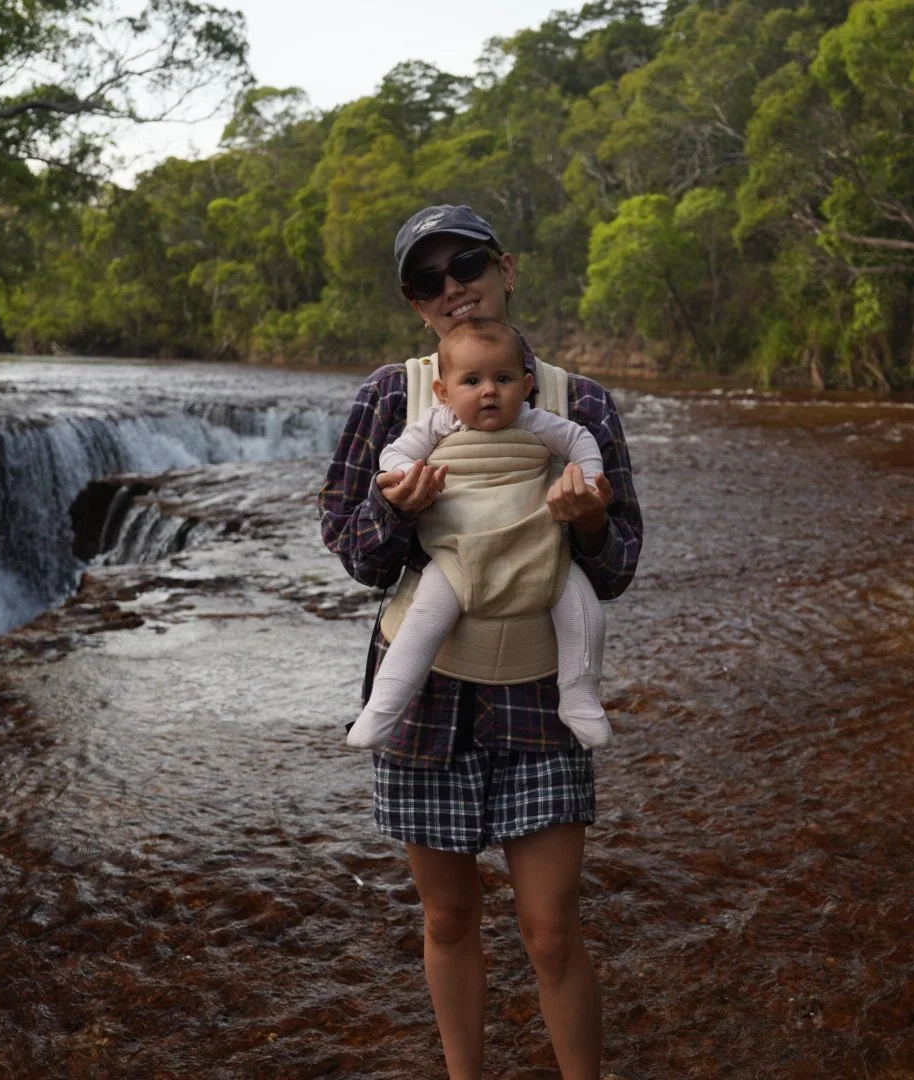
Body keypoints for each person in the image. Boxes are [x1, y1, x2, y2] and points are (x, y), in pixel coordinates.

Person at [319, 204, 643, 1080]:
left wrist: (588, 525)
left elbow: (618, 568)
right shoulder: (391, 399)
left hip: (540, 695)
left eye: (465, 265)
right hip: (427, 701)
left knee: (549, 927)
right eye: (430, 280)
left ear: (506, 267)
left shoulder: (580, 406)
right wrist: (397, 513)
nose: (452, 288)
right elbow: (351, 550)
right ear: (414, 303)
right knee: (449, 919)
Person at [346, 315, 611, 752]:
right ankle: (382, 708)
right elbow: (394, 454)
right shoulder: (437, 424)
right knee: (423, 624)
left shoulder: (537, 422)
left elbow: (581, 441)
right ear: (444, 392)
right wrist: (403, 481)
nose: (489, 390)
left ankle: (580, 697)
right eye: (472, 381)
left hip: (538, 549)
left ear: (526, 386)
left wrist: (589, 485)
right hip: (457, 556)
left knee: (584, 614)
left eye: (503, 379)